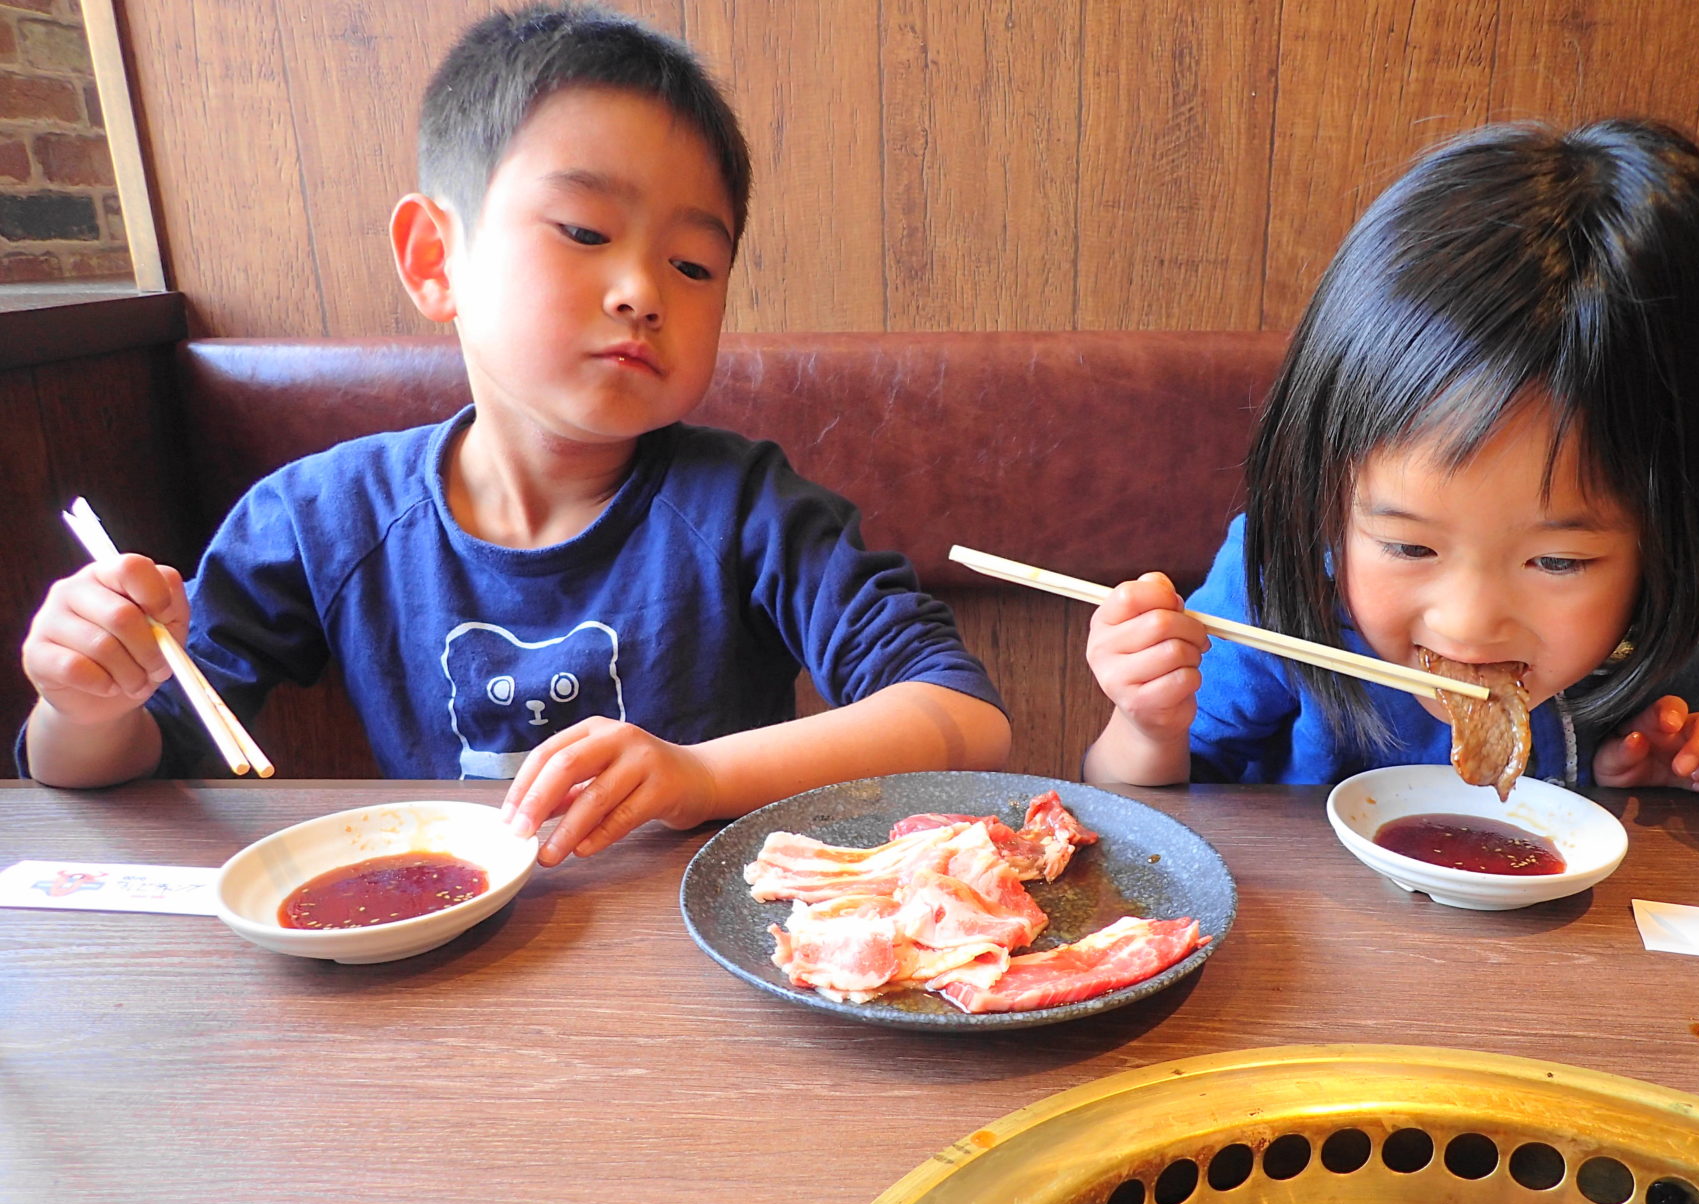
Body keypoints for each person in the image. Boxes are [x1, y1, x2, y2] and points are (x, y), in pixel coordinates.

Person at [19, 4, 1010, 865]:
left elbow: (965, 717)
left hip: (721, 963)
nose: (641, 292)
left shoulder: (749, 507)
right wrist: (84, 702)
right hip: (442, 958)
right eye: (584, 232)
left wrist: (697, 776)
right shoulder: (325, 515)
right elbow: (131, 760)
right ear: (433, 257)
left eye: (694, 266)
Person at [1083, 119, 1699, 798]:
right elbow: (1146, 807)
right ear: (1328, 486)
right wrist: (1146, 722)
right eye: (1407, 545)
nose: (1469, 625)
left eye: (1558, 561)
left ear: (1688, 525)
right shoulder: (1283, 572)